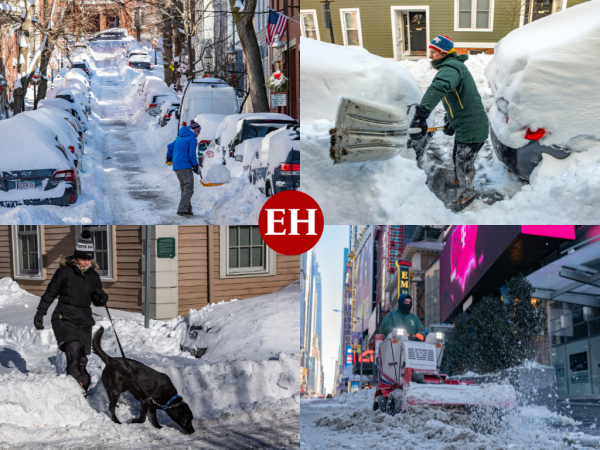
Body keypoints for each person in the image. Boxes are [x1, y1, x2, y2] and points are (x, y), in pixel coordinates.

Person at [409, 35, 489, 205]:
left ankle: (468, 192)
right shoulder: (453, 67)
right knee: (457, 157)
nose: (430, 56)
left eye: (433, 52)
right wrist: (449, 119)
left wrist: (421, 114)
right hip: (464, 124)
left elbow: (439, 87)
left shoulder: (451, 68)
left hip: (472, 127)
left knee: (464, 163)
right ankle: (459, 181)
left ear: (444, 53)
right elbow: (455, 98)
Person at [33, 230, 108, 397]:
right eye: (83, 259)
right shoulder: (64, 272)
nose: (86, 262)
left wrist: (102, 297)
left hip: (84, 319)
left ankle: (84, 389)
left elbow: (97, 299)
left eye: (89, 259)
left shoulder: (94, 276)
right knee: (73, 349)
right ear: (76, 257)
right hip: (63, 316)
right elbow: (50, 293)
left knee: (81, 359)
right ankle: (75, 389)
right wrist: (40, 312)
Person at [167, 120, 201, 217]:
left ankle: (187, 210)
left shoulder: (179, 137)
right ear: (194, 131)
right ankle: (182, 209)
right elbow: (192, 154)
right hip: (185, 166)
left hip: (177, 166)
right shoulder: (192, 139)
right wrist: (195, 165)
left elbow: (170, 147)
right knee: (189, 188)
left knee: (184, 188)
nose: (199, 133)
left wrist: (169, 157)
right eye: (199, 131)